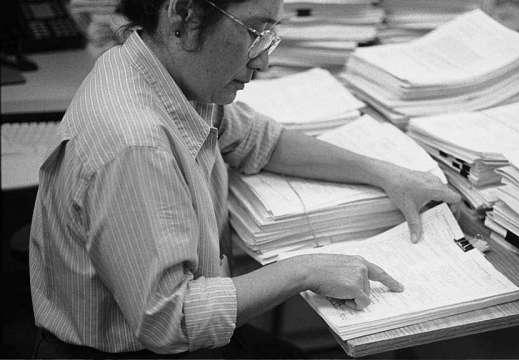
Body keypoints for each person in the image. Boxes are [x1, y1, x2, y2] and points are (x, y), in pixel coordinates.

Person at [29, 0, 460, 357]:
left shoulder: (161, 70)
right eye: (254, 32)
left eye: (270, 35)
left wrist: (385, 173)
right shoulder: (137, 145)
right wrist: (303, 271)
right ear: (183, 19)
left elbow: (258, 139)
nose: (266, 60)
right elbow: (170, 321)